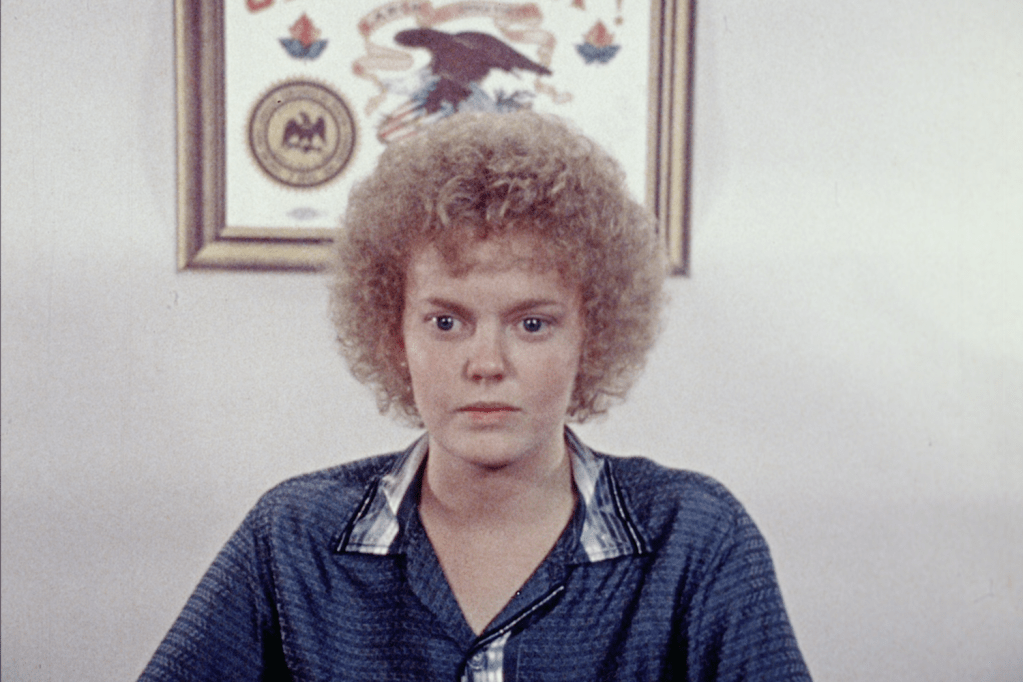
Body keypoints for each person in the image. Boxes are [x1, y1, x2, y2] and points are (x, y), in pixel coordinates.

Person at [138, 111, 811, 681]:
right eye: (446, 322)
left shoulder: (693, 538)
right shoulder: (294, 537)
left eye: (532, 324)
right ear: (394, 334)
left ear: (594, 335)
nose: (486, 364)